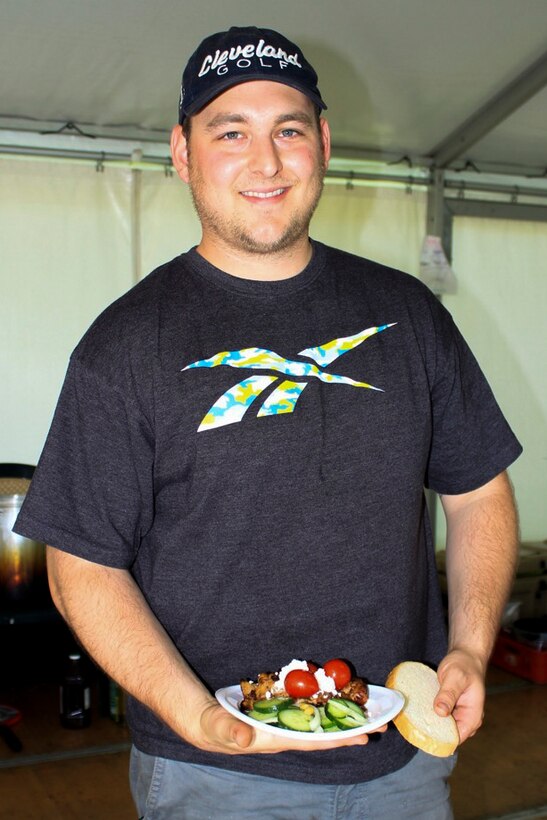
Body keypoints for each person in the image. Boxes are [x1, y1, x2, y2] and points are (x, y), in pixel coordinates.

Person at [15, 25, 521, 820]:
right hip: (215, 777)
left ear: (321, 142)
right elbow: (82, 564)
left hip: (401, 766)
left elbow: (476, 492)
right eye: (230, 133)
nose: (266, 161)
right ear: (182, 152)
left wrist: (466, 648)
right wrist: (199, 717)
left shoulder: (407, 315)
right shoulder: (125, 346)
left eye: (288, 129)